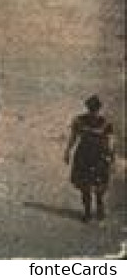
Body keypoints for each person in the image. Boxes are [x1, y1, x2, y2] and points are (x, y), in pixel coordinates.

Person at [64, 95, 114, 223]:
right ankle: (87, 212)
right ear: (88, 108)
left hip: (99, 156)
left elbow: (110, 140)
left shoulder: (105, 122)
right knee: (84, 185)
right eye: (91, 109)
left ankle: (99, 209)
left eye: (95, 109)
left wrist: (111, 155)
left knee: (99, 185)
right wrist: (68, 151)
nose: (93, 112)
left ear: (98, 109)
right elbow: (73, 137)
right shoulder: (79, 120)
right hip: (83, 155)